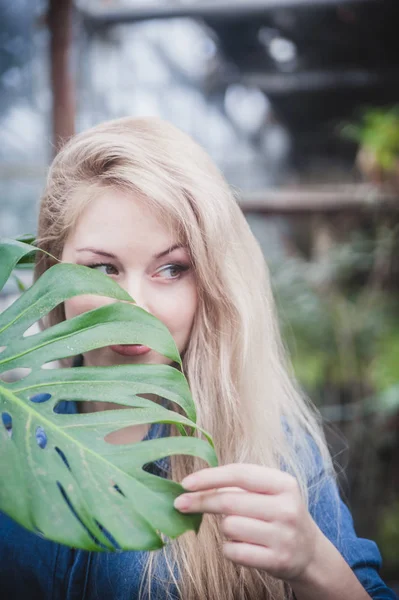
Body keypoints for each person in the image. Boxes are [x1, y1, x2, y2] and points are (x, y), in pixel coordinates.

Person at [0, 116, 397, 600]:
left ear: (211, 281)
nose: (134, 308)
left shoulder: (266, 446)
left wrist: (315, 564)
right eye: (102, 268)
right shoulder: (10, 438)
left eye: (171, 269)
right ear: (52, 275)